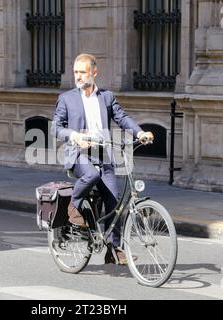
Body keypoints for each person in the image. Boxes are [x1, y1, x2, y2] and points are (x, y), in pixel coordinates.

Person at [53, 53, 154, 265]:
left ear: (94, 73)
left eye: (83, 72)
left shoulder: (106, 97)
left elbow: (122, 118)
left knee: (114, 201)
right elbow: (56, 127)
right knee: (90, 174)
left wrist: (139, 133)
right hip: (79, 154)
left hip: (103, 154)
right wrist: (75, 136)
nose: (78, 76)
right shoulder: (67, 98)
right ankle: (74, 206)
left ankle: (113, 249)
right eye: (76, 72)